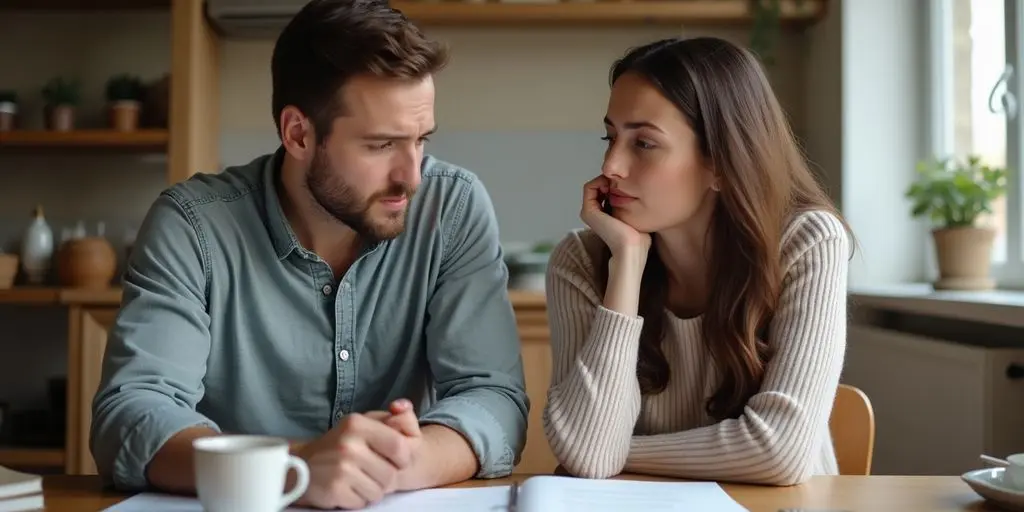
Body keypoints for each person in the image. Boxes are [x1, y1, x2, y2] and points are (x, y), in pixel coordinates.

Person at [90, 0, 528, 508]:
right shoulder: (192, 225)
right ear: (298, 133)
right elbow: (131, 415)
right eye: (381, 144)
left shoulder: (452, 208)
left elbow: (494, 398)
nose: (411, 177)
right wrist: (293, 468)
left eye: (421, 140)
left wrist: (399, 463)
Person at [542, 36, 853, 486]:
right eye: (610, 137)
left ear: (721, 163)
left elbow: (779, 452)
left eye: (644, 143)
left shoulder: (807, 242)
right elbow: (589, 459)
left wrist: (610, 452)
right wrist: (626, 263)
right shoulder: (581, 259)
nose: (611, 165)